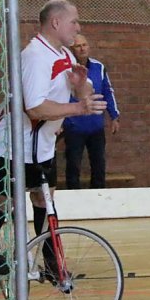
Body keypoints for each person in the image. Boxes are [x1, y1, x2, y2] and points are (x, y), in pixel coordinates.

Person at [0, 0, 107, 275]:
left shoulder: (64, 54)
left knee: (45, 199)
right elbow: (35, 107)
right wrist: (78, 107)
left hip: (43, 146)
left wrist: (80, 89)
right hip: (12, 146)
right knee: (4, 202)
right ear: (56, 22)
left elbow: (84, 90)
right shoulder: (34, 57)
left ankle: (52, 262)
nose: (78, 26)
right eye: (74, 21)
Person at [63, 33, 120, 189]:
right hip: (73, 126)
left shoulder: (99, 67)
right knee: (73, 164)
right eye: (77, 46)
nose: (82, 49)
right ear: (71, 49)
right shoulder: (65, 69)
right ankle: (73, 197)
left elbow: (108, 91)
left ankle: (98, 197)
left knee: (99, 163)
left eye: (84, 45)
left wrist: (114, 116)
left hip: (96, 126)